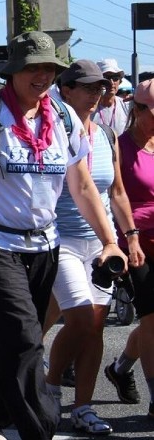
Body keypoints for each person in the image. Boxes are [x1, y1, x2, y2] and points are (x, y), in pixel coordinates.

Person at [0, 31, 127, 440]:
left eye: (48, 67)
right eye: (33, 67)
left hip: (44, 245)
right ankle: (41, 428)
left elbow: (83, 186)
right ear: (13, 71)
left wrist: (110, 240)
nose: (42, 75)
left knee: (5, 339)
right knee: (26, 339)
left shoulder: (64, 118)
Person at [44, 60, 142, 434]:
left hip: (101, 244)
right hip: (61, 238)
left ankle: (82, 407)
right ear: (65, 90)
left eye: (100, 87)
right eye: (87, 87)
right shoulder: (52, 131)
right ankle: (51, 386)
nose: (96, 93)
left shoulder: (106, 135)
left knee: (96, 328)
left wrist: (126, 237)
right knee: (82, 318)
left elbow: (115, 192)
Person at [102, 78, 154, 420]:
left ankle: (120, 367)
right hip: (136, 244)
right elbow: (112, 197)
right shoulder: (119, 146)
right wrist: (124, 239)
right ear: (136, 110)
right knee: (152, 321)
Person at [92, 58, 130, 135]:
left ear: (120, 82)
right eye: (106, 78)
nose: (111, 82)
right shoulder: (89, 106)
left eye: (115, 78)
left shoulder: (126, 105)